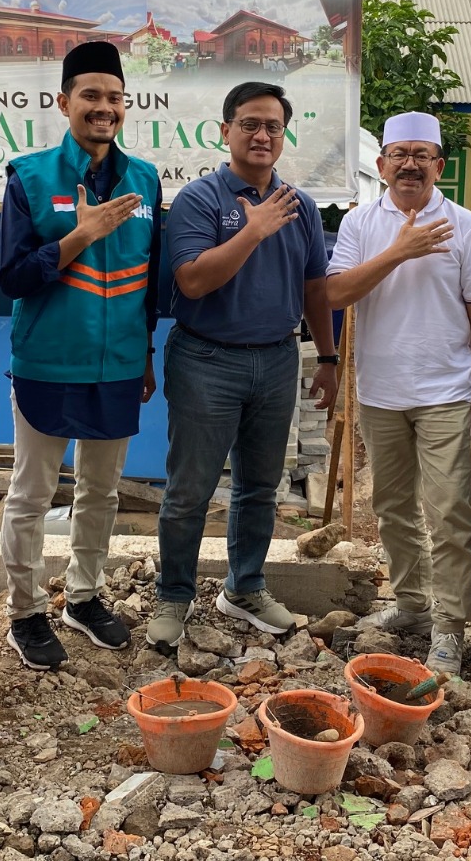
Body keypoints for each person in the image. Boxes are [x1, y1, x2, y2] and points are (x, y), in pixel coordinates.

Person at [148, 82, 339, 648]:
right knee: (189, 489)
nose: (262, 136)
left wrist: (325, 358)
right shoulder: (201, 200)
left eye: (273, 127)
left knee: (261, 485)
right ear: (225, 130)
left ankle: (245, 585)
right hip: (207, 358)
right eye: (250, 124)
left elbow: (315, 288)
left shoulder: (299, 205)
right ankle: (174, 595)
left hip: (278, 360)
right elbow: (192, 279)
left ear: (284, 135)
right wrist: (252, 230)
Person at [0, 41, 161, 669]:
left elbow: (147, 278)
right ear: (64, 102)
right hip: (47, 361)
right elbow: (10, 277)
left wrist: (145, 353)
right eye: (90, 96)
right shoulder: (30, 176)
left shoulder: (144, 179)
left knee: (102, 490)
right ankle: (25, 609)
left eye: (113, 98)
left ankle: (84, 597)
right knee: (32, 493)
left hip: (118, 362)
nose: (103, 108)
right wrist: (79, 236)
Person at [325, 112, 471, 674]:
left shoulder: (464, 224)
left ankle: (450, 625)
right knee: (392, 509)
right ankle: (412, 605)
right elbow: (335, 294)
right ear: (382, 165)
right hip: (380, 392)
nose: (410, 164)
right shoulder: (358, 224)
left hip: (446, 391)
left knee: (449, 510)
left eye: (423, 155)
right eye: (400, 154)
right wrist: (399, 250)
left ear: (439, 167)